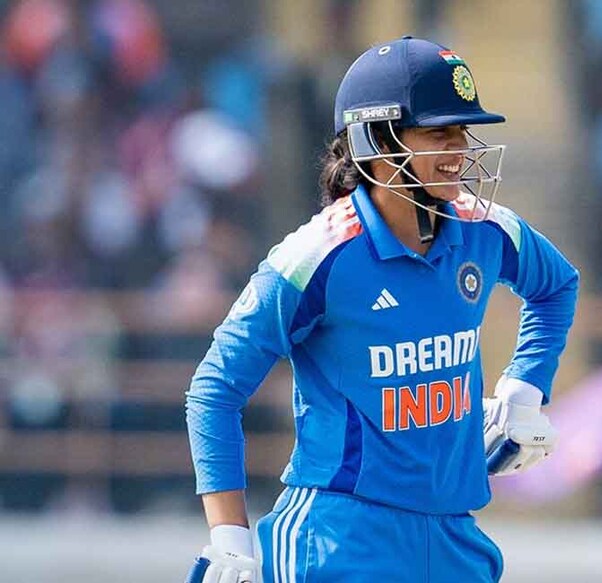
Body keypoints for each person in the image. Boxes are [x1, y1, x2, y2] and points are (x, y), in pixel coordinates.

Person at [184, 37, 579, 583]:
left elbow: (556, 285)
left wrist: (524, 391)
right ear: (377, 140)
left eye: (464, 131)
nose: (460, 149)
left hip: (454, 535)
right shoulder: (314, 258)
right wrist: (230, 539)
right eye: (439, 132)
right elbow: (214, 389)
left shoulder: (484, 228)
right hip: (340, 535)